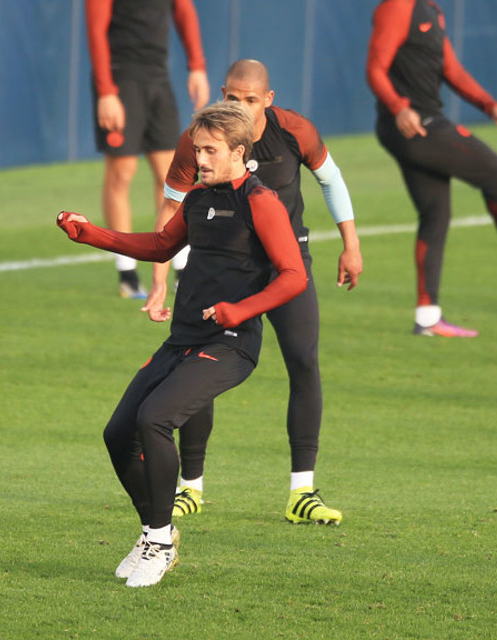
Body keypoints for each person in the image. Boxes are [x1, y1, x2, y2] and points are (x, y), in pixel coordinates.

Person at [55, 102, 307, 587]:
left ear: (239, 151)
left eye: (210, 150)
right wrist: (91, 234)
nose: (201, 157)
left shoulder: (261, 202)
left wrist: (241, 310)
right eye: (198, 148)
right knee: (117, 432)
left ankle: (158, 539)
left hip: (231, 344)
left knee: (155, 420)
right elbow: (159, 247)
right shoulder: (196, 199)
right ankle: (158, 534)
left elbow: (294, 275)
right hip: (183, 339)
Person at [144, 59, 360, 524]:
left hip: (286, 266)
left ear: (269, 100)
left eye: (249, 99)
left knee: (303, 361)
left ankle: (302, 491)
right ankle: (191, 487)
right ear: (222, 92)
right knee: (196, 365)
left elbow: (332, 180)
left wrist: (351, 244)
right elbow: (171, 209)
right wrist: (159, 282)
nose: (239, 106)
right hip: (221, 269)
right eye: (232, 97)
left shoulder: (295, 130)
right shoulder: (199, 140)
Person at [365, 0, 497, 338]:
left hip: (420, 122)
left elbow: (452, 70)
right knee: (496, 171)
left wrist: (491, 107)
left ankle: (427, 317)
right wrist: (399, 107)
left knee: (435, 213)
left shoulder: (431, 9)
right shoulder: (398, 6)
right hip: (411, 123)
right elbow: (375, 68)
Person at [86, 0, 210, 299]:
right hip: (119, 79)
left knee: (172, 174)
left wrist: (197, 67)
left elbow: (184, 12)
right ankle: (127, 274)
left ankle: (181, 269)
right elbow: (95, 30)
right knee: (122, 174)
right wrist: (106, 92)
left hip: (157, 77)